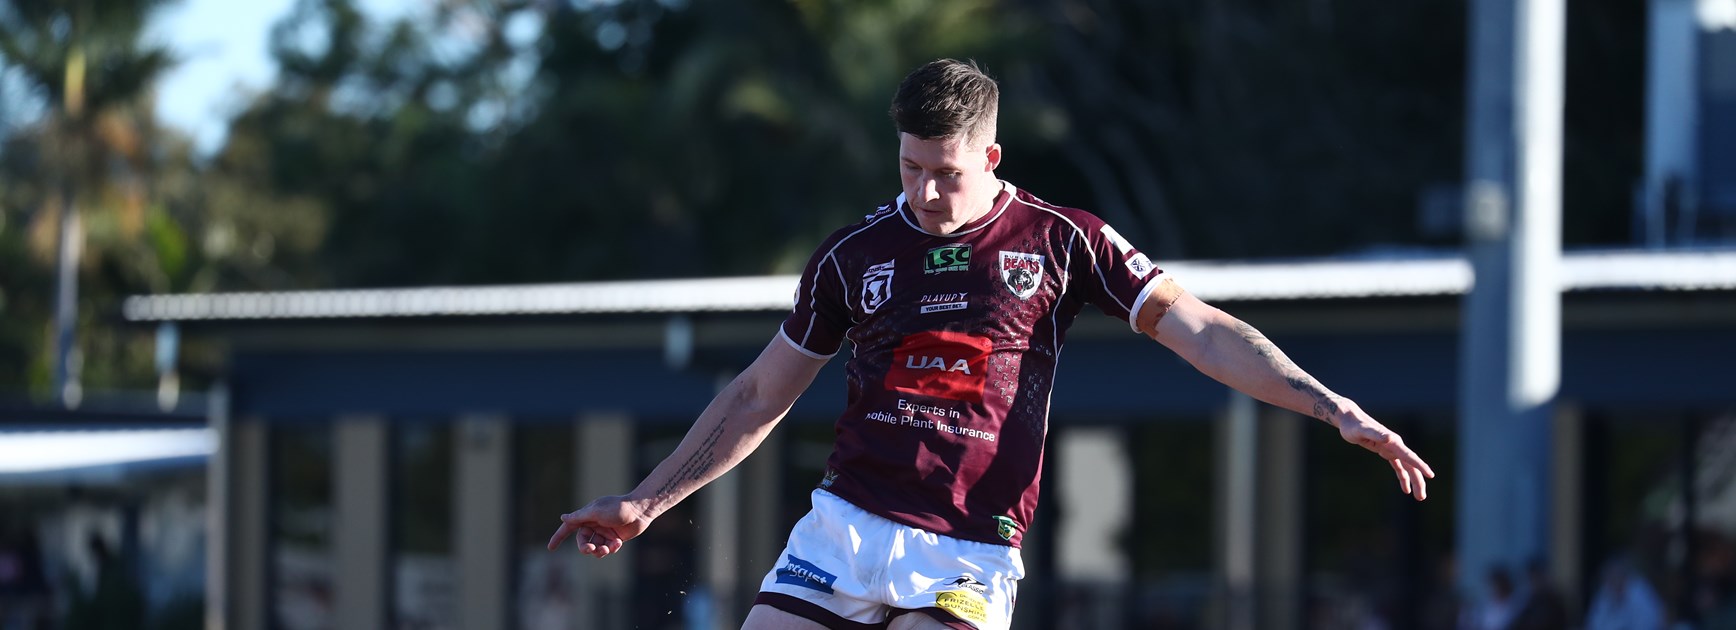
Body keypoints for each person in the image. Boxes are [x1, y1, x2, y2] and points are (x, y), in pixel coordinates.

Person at [547, 58, 1436, 630]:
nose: (928, 193)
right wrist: (646, 502)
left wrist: (1333, 406)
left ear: (993, 156)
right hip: (845, 525)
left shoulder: (1063, 240)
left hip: (968, 549)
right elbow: (756, 395)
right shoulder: (854, 256)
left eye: (948, 172)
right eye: (910, 168)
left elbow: (1200, 330)